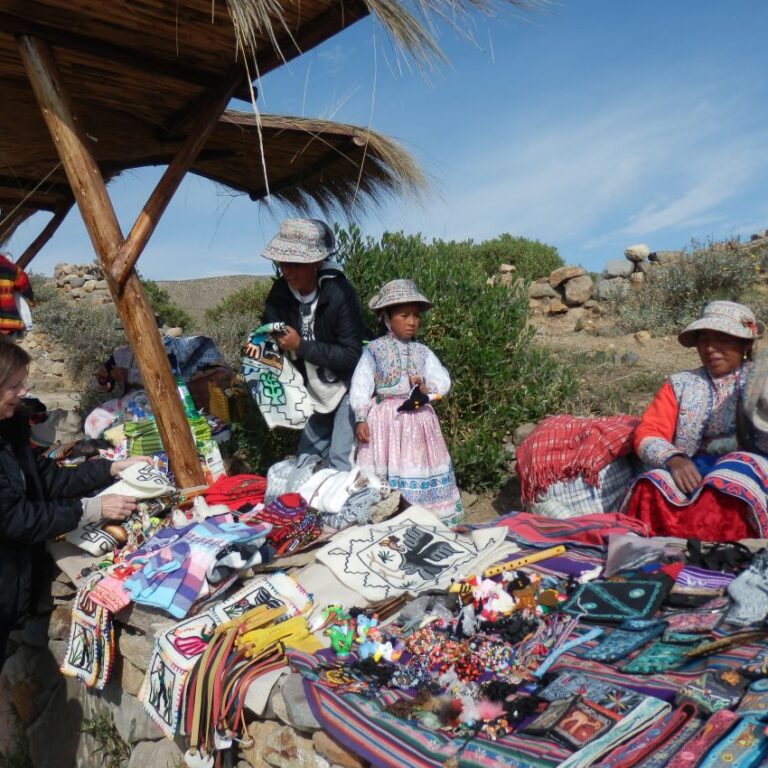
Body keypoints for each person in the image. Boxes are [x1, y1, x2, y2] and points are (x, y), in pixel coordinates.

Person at [0, 338, 147, 663]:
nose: (24, 392)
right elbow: (16, 519)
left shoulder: (10, 434)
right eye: (15, 385)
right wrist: (92, 509)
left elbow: (49, 479)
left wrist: (110, 468)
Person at [623, 300, 768, 540]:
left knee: (727, 482)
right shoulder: (680, 384)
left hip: (751, 466)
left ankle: (725, 552)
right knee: (651, 483)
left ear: (744, 344)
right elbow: (649, 432)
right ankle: (659, 550)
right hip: (693, 465)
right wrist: (674, 459)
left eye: (722, 340)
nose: (711, 348)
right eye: (704, 340)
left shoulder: (761, 378)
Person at [253, 218, 365, 470]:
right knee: (304, 460)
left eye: (293, 264)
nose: (286, 271)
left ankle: (349, 507)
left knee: (340, 459)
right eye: (281, 263)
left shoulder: (339, 293)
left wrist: (300, 346)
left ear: (315, 262)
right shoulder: (280, 294)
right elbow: (268, 335)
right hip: (314, 395)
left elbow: (351, 355)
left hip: (347, 389)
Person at [350, 279, 464, 524]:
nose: (413, 322)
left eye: (415, 316)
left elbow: (441, 382)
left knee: (416, 466)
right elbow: (361, 384)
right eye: (405, 315)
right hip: (385, 421)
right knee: (383, 471)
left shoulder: (423, 352)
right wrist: (361, 418)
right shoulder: (374, 350)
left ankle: (423, 518)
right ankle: (384, 517)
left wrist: (426, 389)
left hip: (418, 421)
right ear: (386, 317)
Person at [0, 252, 33, 338]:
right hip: (8, 323)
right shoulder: (11, 267)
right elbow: (24, 282)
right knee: (7, 350)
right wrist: (31, 301)